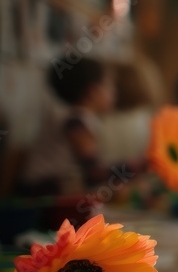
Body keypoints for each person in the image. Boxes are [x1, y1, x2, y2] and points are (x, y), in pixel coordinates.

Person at [17, 56, 118, 196]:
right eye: (109, 85)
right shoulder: (75, 123)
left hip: (48, 191)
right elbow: (94, 173)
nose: (114, 92)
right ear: (93, 91)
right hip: (38, 196)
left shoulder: (77, 118)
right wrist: (138, 166)